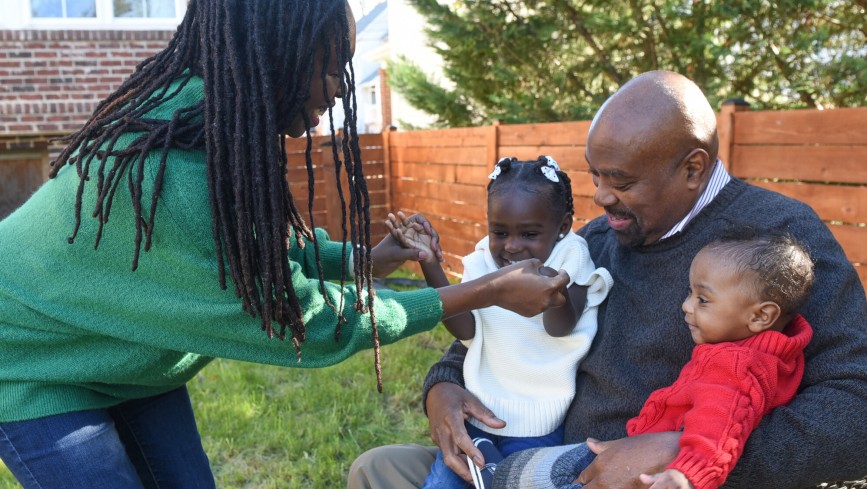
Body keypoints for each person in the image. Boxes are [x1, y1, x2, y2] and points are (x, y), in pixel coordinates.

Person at [0, 2, 570, 488]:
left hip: (128, 355)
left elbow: (256, 248)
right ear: (276, 51)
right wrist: (487, 290)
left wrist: (363, 261)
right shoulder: (171, 172)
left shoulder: (220, 119)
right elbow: (309, 322)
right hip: (31, 360)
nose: (341, 87)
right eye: (331, 67)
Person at [347, 70, 867, 489]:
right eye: (595, 175)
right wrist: (443, 388)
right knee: (378, 469)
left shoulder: (777, 240)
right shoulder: (592, 241)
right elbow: (499, 331)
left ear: (692, 168)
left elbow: (855, 409)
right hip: (535, 458)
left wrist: (682, 453)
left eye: (622, 181)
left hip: (667, 476)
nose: (600, 197)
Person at [491, 230, 814, 489]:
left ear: (761, 316)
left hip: (649, 475)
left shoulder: (735, 367)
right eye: (690, 293)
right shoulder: (776, 351)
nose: (686, 306)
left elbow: (720, 428)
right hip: (635, 458)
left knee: (513, 475)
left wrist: (686, 475)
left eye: (702, 299)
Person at [389, 155, 613, 489]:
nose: (511, 246)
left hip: (539, 429)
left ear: (563, 226)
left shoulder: (572, 255)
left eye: (529, 234)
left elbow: (559, 327)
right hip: (476, 418)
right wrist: (430, 263)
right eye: (499, 231)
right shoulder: (483, 260)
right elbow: (466, 330)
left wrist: (549, 283)